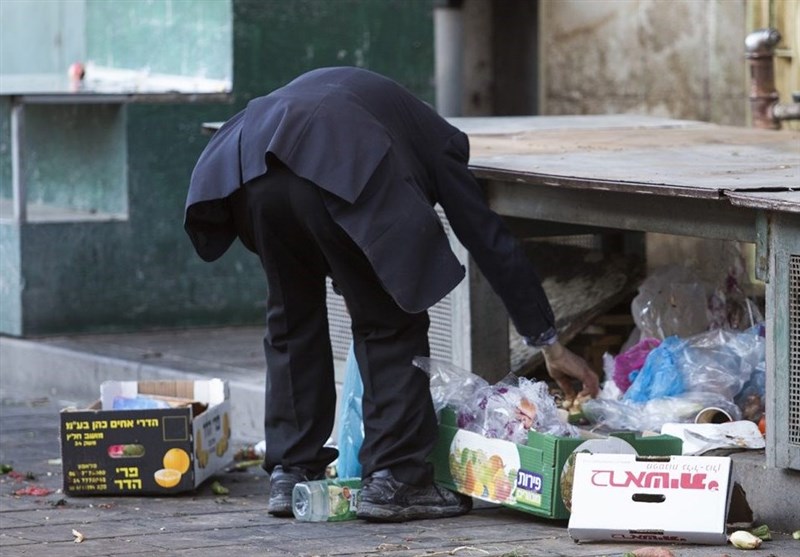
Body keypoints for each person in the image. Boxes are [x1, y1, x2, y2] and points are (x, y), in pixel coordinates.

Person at [184, 67, 599, 523]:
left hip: (251, 169)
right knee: (390, 320)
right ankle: (397, 481)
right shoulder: (437, 141)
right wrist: (549, 343)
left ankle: (290, 470)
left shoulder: (375, 105)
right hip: (328, 160)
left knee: (291, 317)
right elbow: (486, 236)